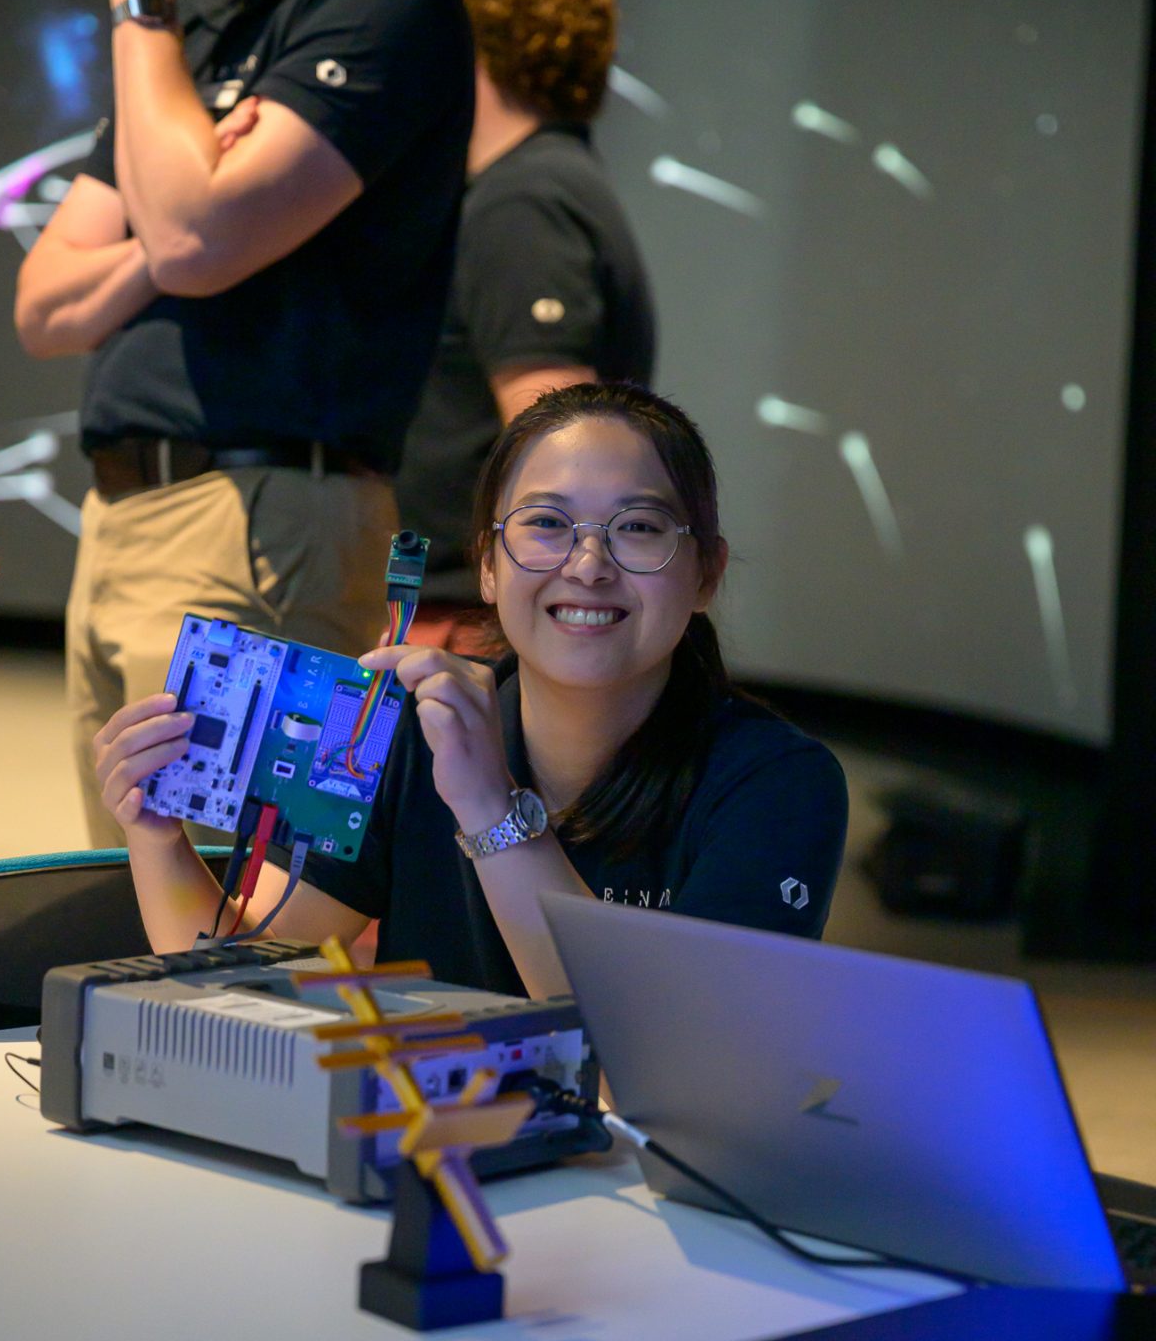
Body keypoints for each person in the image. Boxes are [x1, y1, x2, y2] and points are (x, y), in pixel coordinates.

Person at [94, 381, 849, 999]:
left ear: (707, 574)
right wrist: (154, 837)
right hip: (427, 1135)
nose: (588, 565)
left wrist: (492, 808)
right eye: (547, 522)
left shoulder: (778, 786)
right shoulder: (403, 734)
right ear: (487, 565)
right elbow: (233, 980)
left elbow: (666, 1064)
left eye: (639, 527)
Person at [13, 0, 473, 846]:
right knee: (133, 898)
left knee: (236, 908)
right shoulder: (211, 32)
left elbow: (194, 238)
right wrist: (179, 238)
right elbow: (45, 305)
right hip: (124, 523)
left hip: (265, 522)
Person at [392, 0, 656, 649]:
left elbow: (559, 439)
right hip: (476, 610)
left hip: (475, 625)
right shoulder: (553, 184)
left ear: (466, 50)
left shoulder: (523, 202)